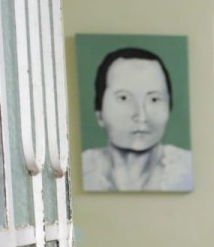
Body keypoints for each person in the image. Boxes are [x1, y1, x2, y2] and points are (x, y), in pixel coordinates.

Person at [82, 47, 193, 192]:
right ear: (99, 113)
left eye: (154, 99)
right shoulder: (81, 168)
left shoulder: (187, 167)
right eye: (123, 98)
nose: (141, 116)